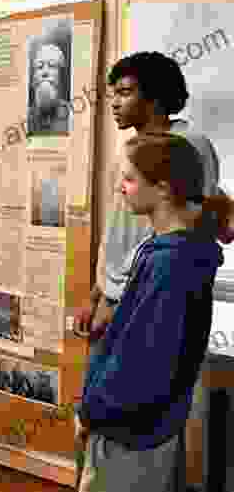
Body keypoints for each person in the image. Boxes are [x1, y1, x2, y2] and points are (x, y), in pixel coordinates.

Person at [75, 133, 230, 492]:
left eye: (129, 179)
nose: (120, 187)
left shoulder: (171, 264)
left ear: (162, 188)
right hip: (139, 429)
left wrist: (91, 412)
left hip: (131, 435)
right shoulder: (166, 251)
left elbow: (142, 362)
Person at [76, 52, 225, 344]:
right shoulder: (129, 150)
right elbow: (117, 230)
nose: (115, 103)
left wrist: (122, 296)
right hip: (116, 291)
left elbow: (194, 225)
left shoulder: (189, 145)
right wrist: (98, 293)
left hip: (152, 289)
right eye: (113, 94)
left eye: (125, 93)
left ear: (154, 97)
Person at [27, 43, 71, 134]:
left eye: (52, 66)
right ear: (34, 77)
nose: (45, 72)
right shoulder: (25, 116)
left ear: (61, 75)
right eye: (39, 66)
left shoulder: (72, 115)